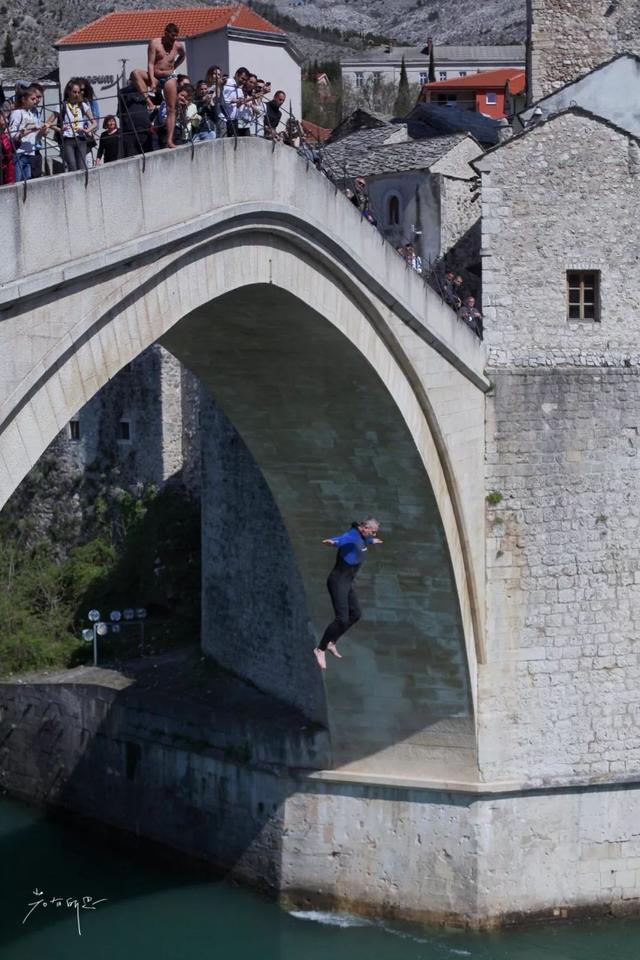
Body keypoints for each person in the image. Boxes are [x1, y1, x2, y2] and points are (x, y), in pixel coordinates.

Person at [314, 517, 383, 670]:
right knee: (341, 619)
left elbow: (363, 543)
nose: (372, 534)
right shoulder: (351, 536)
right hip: (337, 582)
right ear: (364, 527)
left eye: (374, 533)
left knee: (356, 614)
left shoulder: (363, 537)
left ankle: (332, 642)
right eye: (372, 532)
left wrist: (372, 541)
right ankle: (320, 649)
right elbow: (341, 540)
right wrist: (333, 542)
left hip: (347, 583)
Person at [131, 22, 185, 149]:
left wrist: (174, 67)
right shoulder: (155, 43)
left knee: (171, 108)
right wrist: (151, 80)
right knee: (135, 74)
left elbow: (183, 56)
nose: (174, 39)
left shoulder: (177, 46)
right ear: (165, 34)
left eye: (176, 36)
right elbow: (150, 63)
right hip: (155, 75)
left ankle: (170, 140)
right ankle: (148, 102)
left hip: (169, 77)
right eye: (172, 36)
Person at [9, 84, 51, 180]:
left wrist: (43, 130)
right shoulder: (17, 113)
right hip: (19, 153)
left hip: (29, 153)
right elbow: (11, 133)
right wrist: (22, 133)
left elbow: (35, 136)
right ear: (23, 99)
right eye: (32, 99)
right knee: (18, 182)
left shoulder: (31, 114)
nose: (35, 101)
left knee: (28, 182)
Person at [118, 75, 151, 156]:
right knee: (131, 156)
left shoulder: (147, 92)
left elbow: (158, 101)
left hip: (144, 130)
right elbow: (119, 113)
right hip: (130, 131)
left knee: (147, 156)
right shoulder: (124, 92)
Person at [222, 67, 250, 137]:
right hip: (224, 120)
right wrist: (234, 101)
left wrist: (240, 103)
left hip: (234, 120)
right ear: (236, 74)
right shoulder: (227, 83)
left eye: (245, 80)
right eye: (242, 78)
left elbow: (238, 105)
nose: (243, 82)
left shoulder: (239, 89)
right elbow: (222, 101)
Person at [0, 111, 16, 186]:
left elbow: (10, 150)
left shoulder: (4, 135)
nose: (7, 121)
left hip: (7, 171)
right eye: (4, 119)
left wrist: (18, 138)